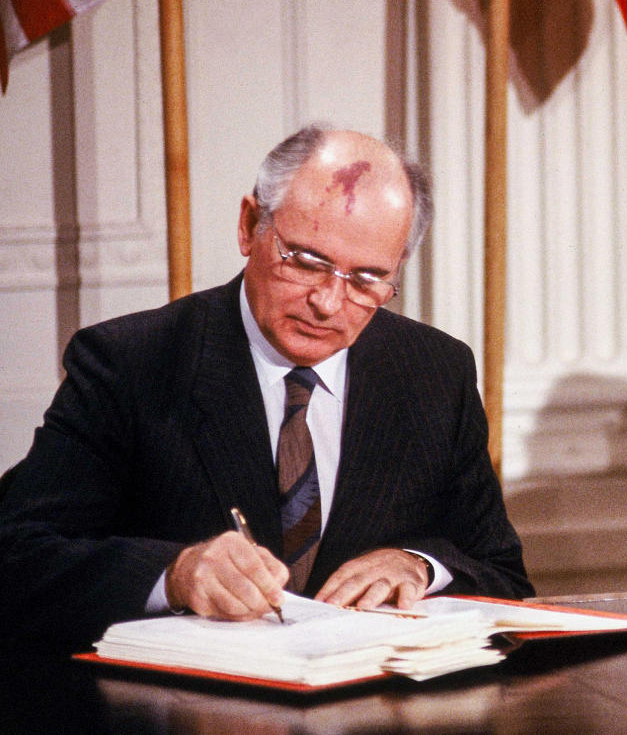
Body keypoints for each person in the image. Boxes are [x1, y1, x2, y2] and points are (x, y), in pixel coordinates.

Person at [0, 125, 532, 647]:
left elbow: (501, 571)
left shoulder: (436, 371)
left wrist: (420, 566)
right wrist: (176, 573)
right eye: (305, 262)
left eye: (367, 280)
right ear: (249, 225)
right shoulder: (132, 363)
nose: (327, 303)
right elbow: (18, 558)